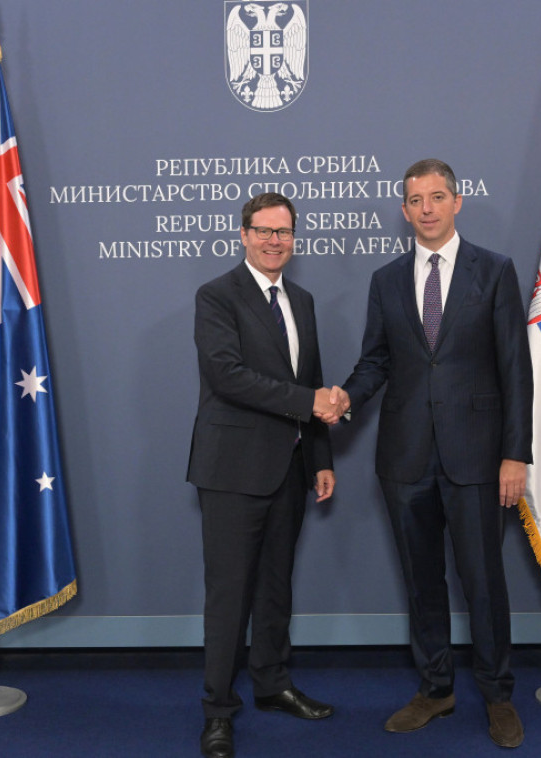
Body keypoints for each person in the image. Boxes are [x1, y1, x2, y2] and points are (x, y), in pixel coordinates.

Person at [335, 159, 533, 748]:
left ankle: (497, 695)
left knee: (483, 583)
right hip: (405, 458)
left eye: (437, 197)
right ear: (404, 210)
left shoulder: (494, 271)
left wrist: (515, 454)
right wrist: (345, 398)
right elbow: (376, 361)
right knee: (422, 584)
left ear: (457, 202)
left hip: (478, 460)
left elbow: (515, 369)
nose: (427, 208)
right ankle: (436, 689)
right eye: (416, 200)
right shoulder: (386, 280)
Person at [187, 192, 346, 758]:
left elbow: (312, 377)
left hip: (290, 469)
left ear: (294, 238)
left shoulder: (301, 300)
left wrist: (320, 458)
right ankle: (217, 710)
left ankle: (273, 683)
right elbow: (227, 376)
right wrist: (310, 402)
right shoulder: (216, 295)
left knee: (277, 587)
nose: (274, 241)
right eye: (264, 231)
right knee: (230, 596)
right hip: (232, 471)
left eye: (284, 232)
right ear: (244, 234)